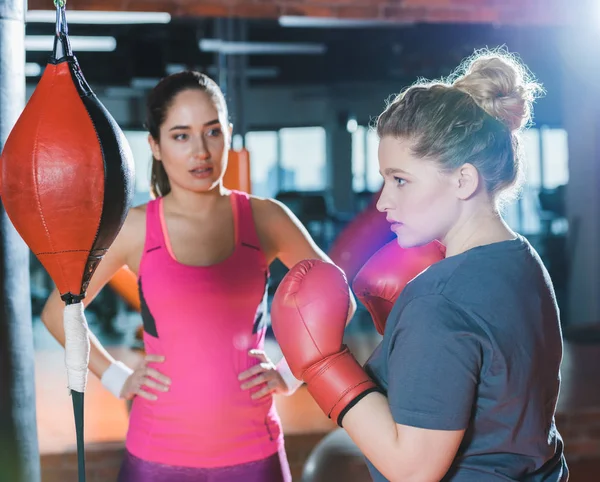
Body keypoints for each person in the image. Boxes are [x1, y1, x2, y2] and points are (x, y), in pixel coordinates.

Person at [40, 70, 355, 482]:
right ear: (154, 145)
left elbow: (339, 299)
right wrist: (117, 377)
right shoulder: (135, 228)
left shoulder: (266, 218)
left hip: (253, 452)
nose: (200, 151)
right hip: (156, 454)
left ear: (228, 133)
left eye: (211, 132)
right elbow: (57, 312)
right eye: (181, 136)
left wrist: (291, 374)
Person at [269, 48, 569, 481]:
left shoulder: (437, 301)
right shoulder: (524, 260)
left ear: (463, 179)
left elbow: (413, 470)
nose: (383, 200)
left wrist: (323, 364)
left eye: (400, 180)